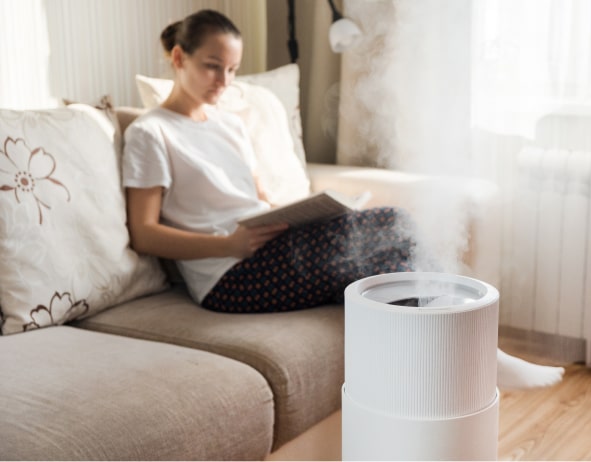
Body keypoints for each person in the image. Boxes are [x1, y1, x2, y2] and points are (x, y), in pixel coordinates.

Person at [123, 9, 564, 389]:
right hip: (228, 275)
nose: (224, 80)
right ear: (179, 58)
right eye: (212, 66)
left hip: (266, 245)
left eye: (233, 70)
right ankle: (475, 354)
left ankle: (459, 357)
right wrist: (229, 245)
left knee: (387, 246)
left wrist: (308, 213)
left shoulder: (229, 124)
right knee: (392, 221)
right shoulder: (151, 132)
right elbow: (144, 234)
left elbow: (256, 198)